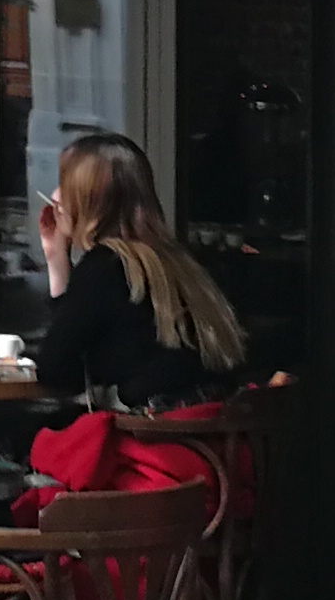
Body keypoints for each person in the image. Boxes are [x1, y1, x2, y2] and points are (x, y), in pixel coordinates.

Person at [32, 131, 247, 409]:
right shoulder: (176, 262)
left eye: (64, 185)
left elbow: (56, 371)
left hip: (149, 430)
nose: (55, 196)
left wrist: (59, 264)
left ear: (86, 199)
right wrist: (57, 259)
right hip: (203, 428)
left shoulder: (105, 267)